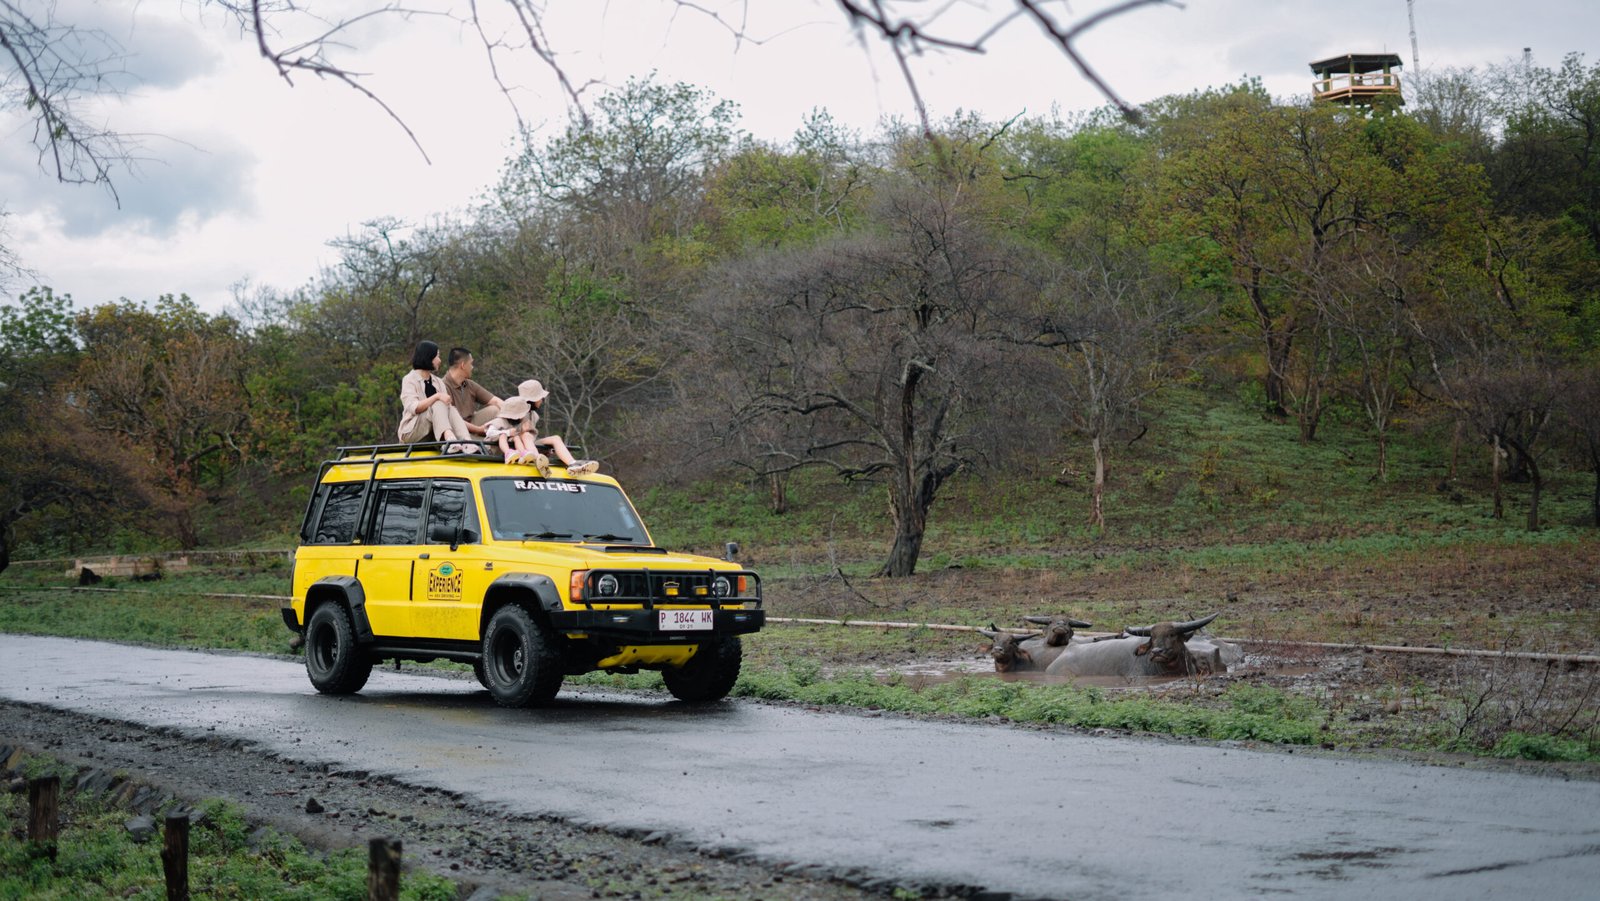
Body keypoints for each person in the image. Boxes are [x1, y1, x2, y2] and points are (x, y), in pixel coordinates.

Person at [397, 340, 478, 453]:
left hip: (432, 433)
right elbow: (414, 408)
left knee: (450, 408)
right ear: (428, 356)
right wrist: (437, 396)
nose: (439, 360)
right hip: (412, 433)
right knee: (438, 403)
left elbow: (448, 412)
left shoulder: (438, 382)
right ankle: (449, 439)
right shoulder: (409, 379)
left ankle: (466, 441)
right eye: (437, 356)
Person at [517, 379, 600, 475]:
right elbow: (507, 430)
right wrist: (521, 430)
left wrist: (545, 449)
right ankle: (538, 462)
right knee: (526, 435)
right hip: (519, 445)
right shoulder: (516, 410)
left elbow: (533, 437)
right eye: (540, 398)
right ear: (532, 400)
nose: (541, 401)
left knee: (555, 438)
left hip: (531, 444)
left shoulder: (534, 415)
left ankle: (572, 465)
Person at [441, 347, 503, 436]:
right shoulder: (442, 386)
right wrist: (479, 430)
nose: (472, 367)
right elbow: (452, 420)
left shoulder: (468, 384)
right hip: (456, 430)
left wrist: (516, 414)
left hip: (472, 423)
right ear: (463, 365)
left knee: (495, 409)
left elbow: (495, 401)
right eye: (471, 364)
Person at [484, 396, 545, 467]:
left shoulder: (516, 424)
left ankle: (523, 454)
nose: (524, 416)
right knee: (503, 435)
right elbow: (489, 433)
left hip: (504, 447)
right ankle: (508, 453)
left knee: (516, 437)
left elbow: (516, 434)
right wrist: (507, 432)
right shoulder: (499, 421)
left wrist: (522, 431)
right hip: (491, 449)